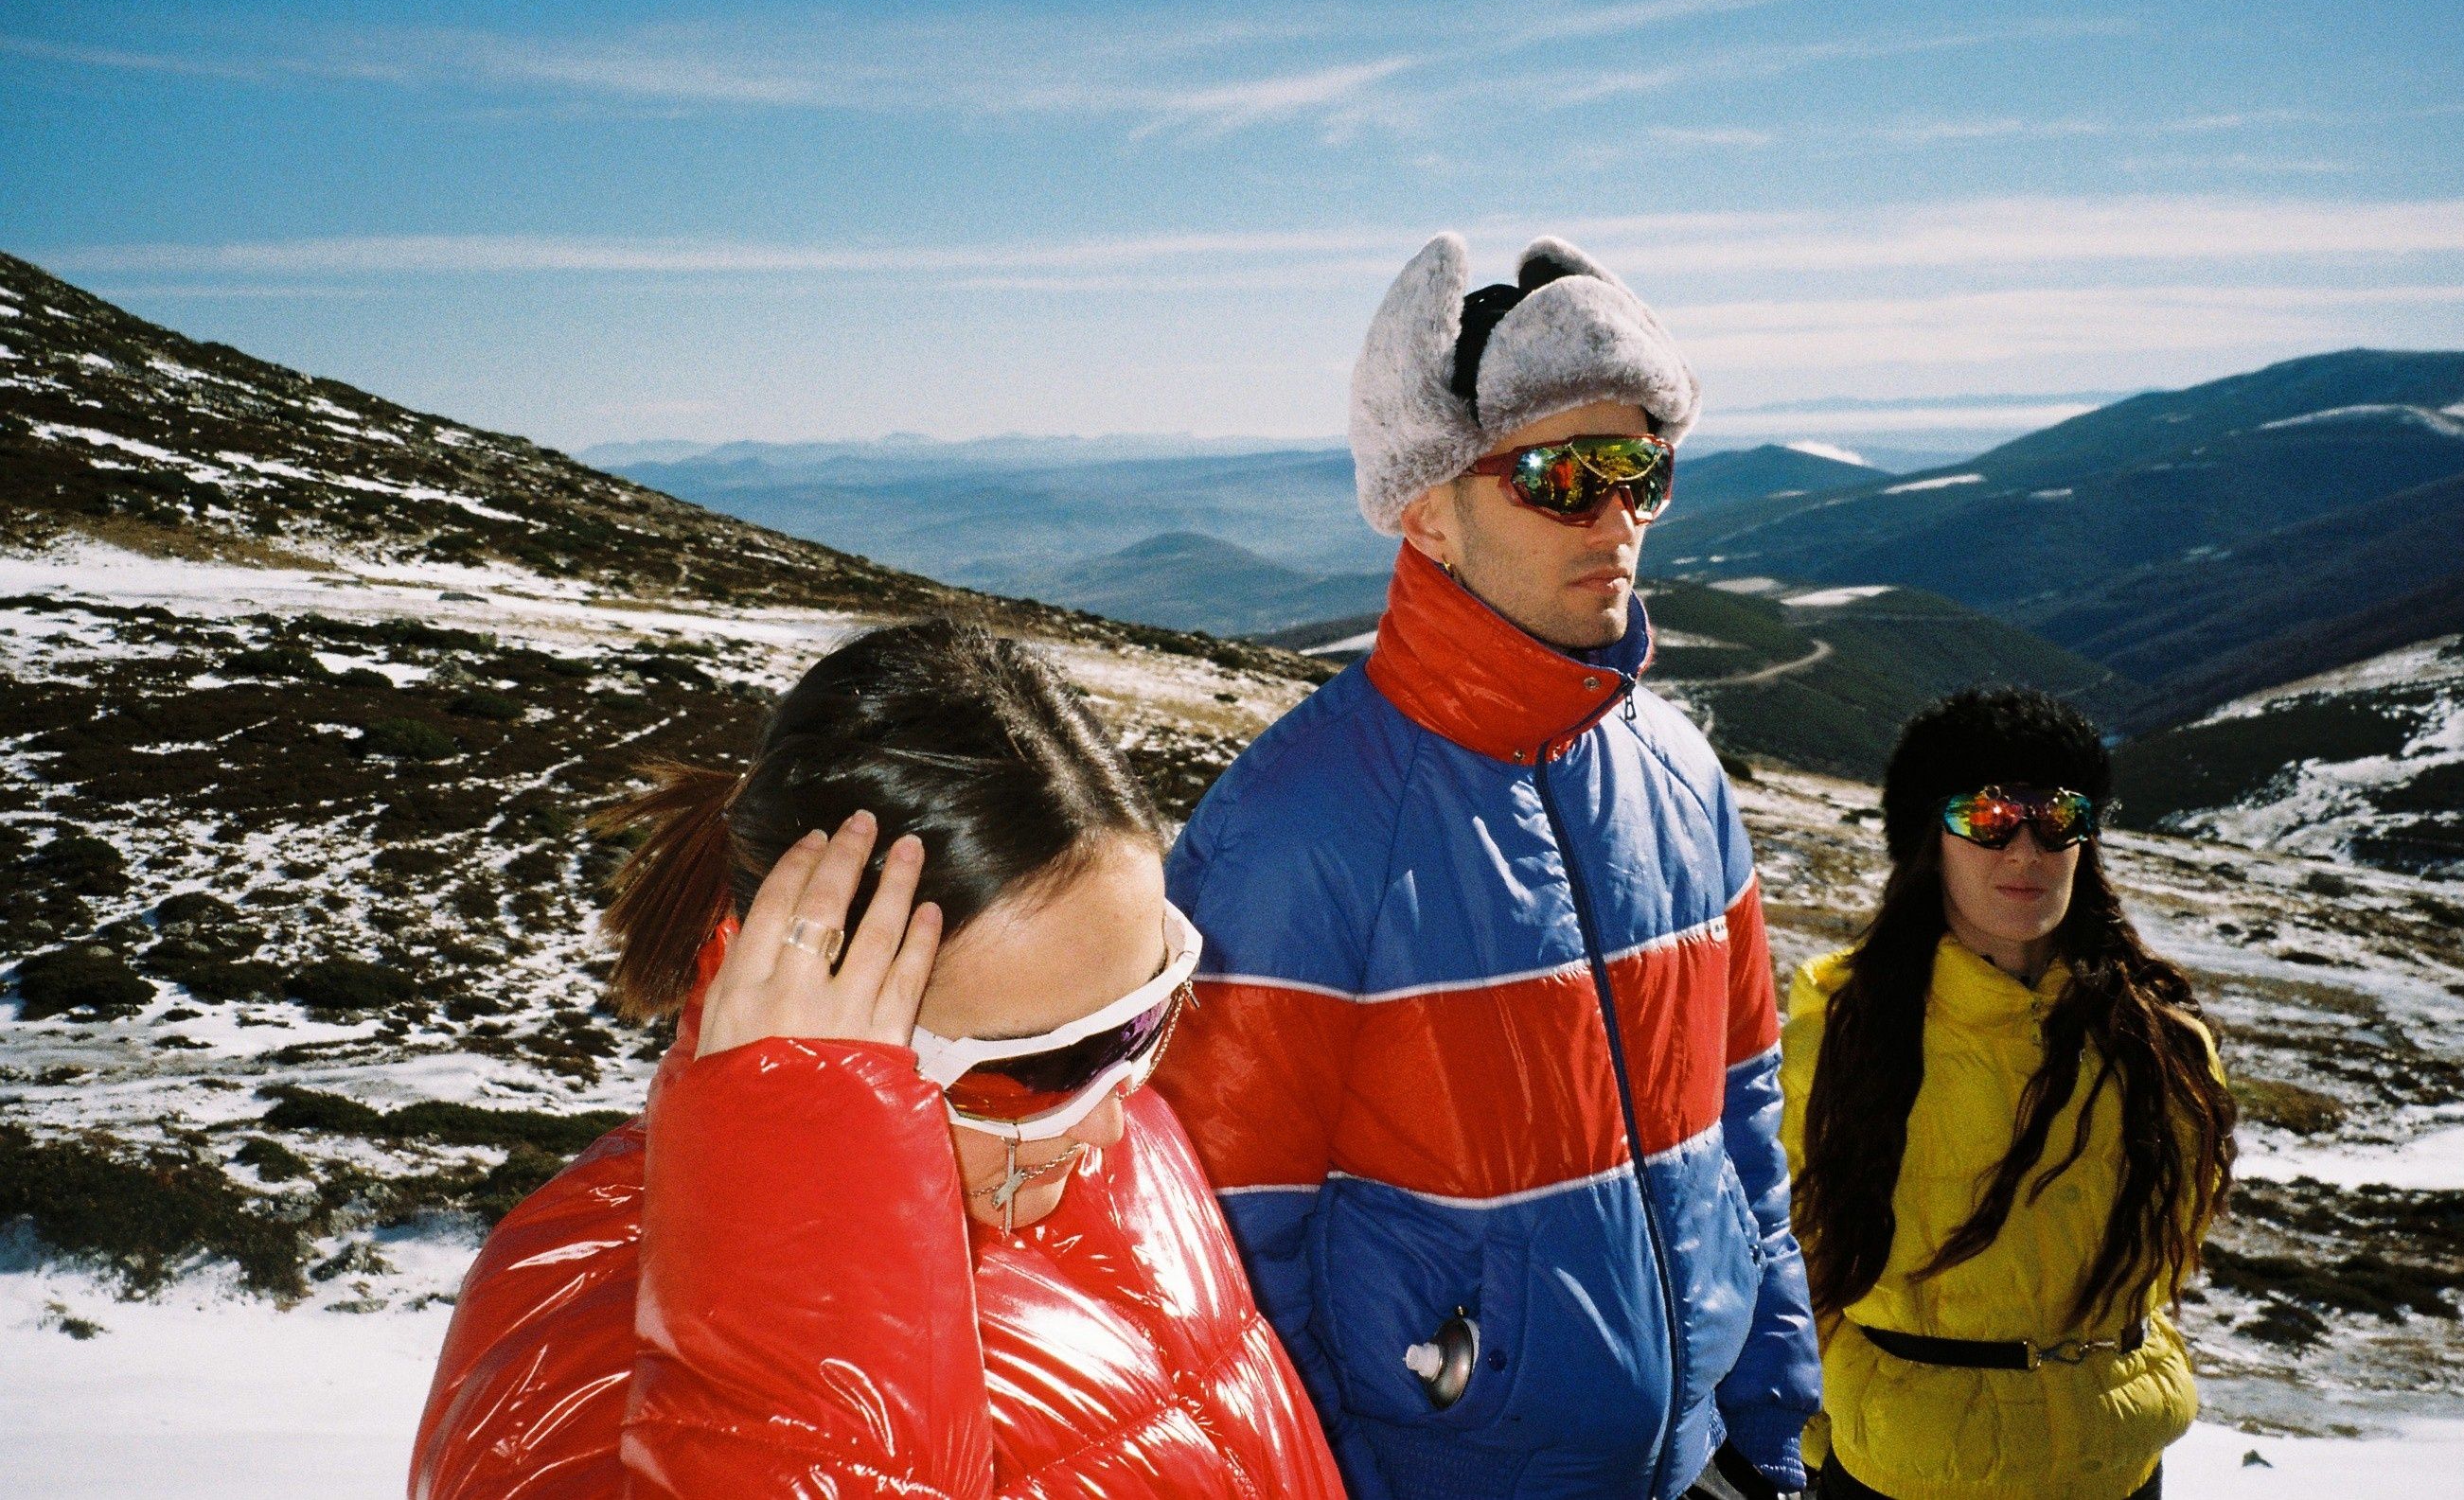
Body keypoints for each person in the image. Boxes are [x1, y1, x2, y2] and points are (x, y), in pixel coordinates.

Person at [1154, 234, 1821, 1500]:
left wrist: (1768, 1417)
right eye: (1562, 474)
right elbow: (1225, 1248)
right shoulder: (1295, 829)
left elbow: (1743, 1131)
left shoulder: (1684, 779)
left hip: (1699, 1469)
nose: (1616, 516)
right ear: (1428, 508)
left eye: (1641, 470)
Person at [410, 618, 1347, 1500]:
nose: (1109, 1118)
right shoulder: (569, 1323)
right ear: (811, 1005)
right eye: (1034, 1069)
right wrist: (807, 1264)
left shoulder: (1125, 1143)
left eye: (1141, 1018)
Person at [1781, 688, 2236, 1500]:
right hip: (1907, 1474)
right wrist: (1828, 1432)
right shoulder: (1845, 1030)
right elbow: (1791, 1257)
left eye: (2057, 818)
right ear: (1933, 839)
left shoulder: (2161, 1043)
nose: (2024, 850)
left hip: (2116, 1464)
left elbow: (2168, 1250)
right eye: (1988, 818)